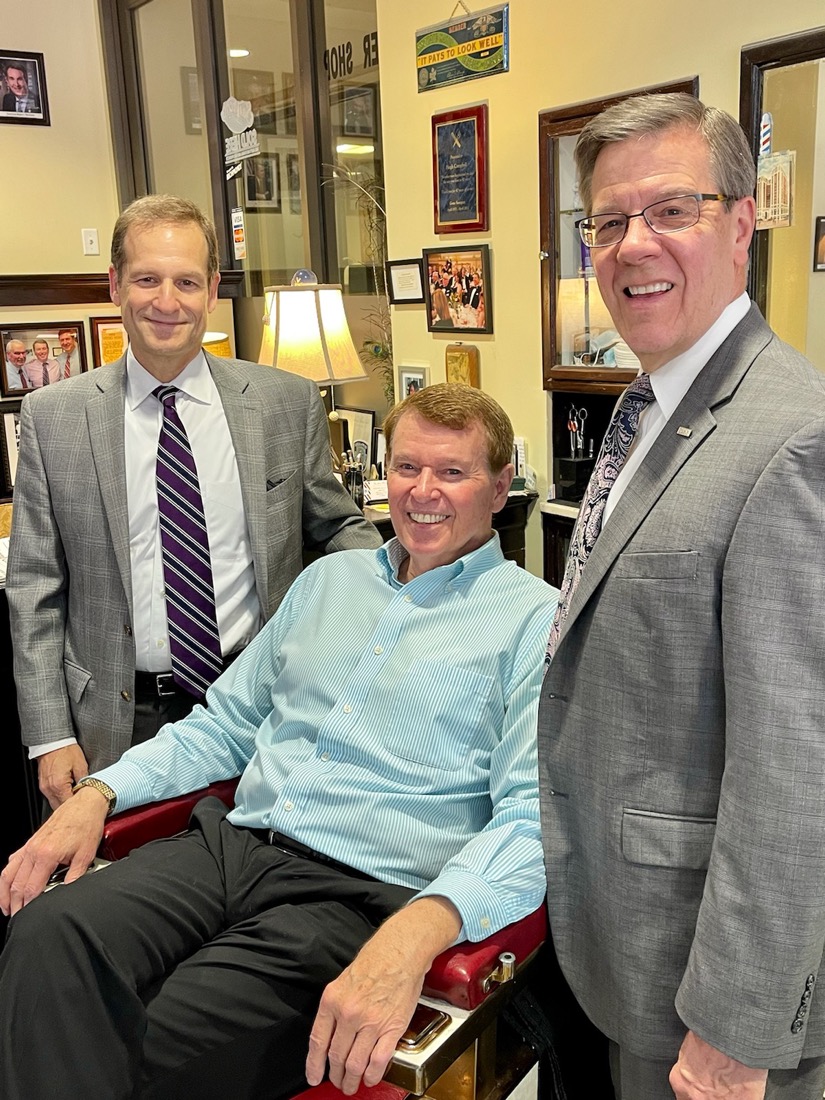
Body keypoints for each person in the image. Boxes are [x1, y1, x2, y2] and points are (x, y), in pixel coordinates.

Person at [0, 382, 558, 1100]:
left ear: (501, 485)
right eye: (407, 467)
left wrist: (422, 926)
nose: (423, 492)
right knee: (49, 934)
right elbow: (224, 725)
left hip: (352, 895)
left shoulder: (534, 623)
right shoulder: (328, 581)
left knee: (141, 1041)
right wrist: (98, 793)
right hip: (231, 847)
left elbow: (529, 819)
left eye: (452, 472)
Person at [538, 92, 825, 1100]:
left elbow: (795, 773)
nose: (631, 245)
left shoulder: (792, 438)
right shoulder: (649, 398)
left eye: (670, 210)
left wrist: (736, 1030)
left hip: (705, 995)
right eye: (608, 222)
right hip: (620, 940)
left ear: (742, 222)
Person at [6, 194, 380, 811]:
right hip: (119, 726)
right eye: (146, 279)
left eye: (186, 281)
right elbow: (34, 587)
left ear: (211, 290)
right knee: (119, 898)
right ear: (115, 286)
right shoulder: (53, 418)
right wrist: (49, 734)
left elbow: (339, 529)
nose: (166, 301)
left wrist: (411, 594)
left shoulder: (285, 404)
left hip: (263, 711)